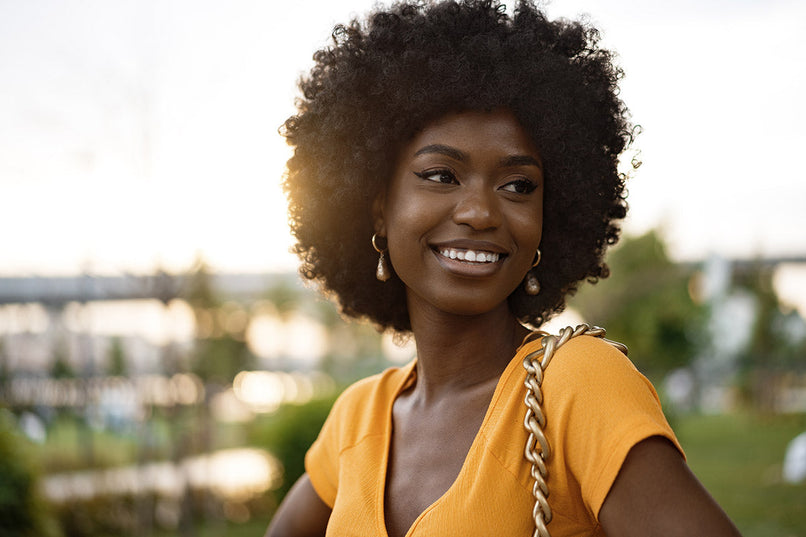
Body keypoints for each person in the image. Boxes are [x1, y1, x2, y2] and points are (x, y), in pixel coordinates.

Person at [266, 1, 743, 535]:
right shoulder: (360, 416)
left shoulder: (577, 383)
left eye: (518, 185)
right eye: (441, 175)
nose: (480, 213)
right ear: (378, 204)